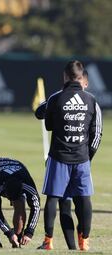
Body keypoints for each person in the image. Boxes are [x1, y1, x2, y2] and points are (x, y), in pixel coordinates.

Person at [38, 60, 102, 251]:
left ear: (65, 76)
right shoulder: (91, 100)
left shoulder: (56, 98)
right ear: (82, 78)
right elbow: (96, 132)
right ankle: (85, 241)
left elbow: (48, 125)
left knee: (53, 198)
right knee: (84, 199)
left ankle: (48, 241)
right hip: (82, 158)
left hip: (59, 157)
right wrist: (87, 156)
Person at [0, 157, 40, 248]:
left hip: (17, 172)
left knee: (20, 204)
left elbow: (36, 207)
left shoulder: (27, 183)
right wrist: (9, 233)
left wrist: (29, 232)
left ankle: (17, 241)